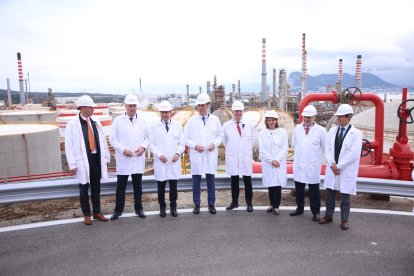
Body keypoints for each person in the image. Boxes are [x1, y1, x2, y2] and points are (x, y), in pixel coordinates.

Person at [65, 95, 110, 225]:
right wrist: (72, 164)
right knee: (84, 188)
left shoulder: (95, 121)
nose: (93, 110)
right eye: (91, 107)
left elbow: (102, 140)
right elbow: (69, 146)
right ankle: (86, 214)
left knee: (96, 187)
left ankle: (97, 212)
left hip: (96, 157)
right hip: (82, 160)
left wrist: (106, 156)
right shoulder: (72, 124)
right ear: (83, 107)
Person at [319, 104, 362, 230]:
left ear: (349, 117)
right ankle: (328, 215)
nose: (339, 119)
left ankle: (344, 219)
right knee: (330, 194)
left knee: (345, 196)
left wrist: (340, 166)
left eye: (342, 117)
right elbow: (328, 149)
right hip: (333, 167)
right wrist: (333, 164)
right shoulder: (332, 131)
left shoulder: (356, 133)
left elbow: (354, 154)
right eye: (338, 116)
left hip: (345, 169)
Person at [109, 94, 148, 220]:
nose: (132, 108)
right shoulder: (118, 121)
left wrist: (143, 147)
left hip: (137, 158)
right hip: (124, 159)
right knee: (121, 187)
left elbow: (147, 138)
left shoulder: (142, 122)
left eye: (134, 106)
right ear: (125, 106)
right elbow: (112, 139)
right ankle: (118, 210)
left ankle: (139, 208)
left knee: (138, 187)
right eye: (130, 106)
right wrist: (122, 150)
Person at [184, 93, 223, 215]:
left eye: (203, 105)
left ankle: (211, 204)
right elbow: (185, 138)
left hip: (210, 155)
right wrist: (195, 146)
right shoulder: (191, 121)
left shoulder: (215, 120)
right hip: (197, 155)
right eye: (199, 105)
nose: (201, 107)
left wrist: (214, 144)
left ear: (208, 105)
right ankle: (197, 204)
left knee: (211, 181)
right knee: (196, 182)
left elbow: (220, 136)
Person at [290, 105, 327, 222]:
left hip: (313, 165)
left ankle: (316, 212)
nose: (306, 119)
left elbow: (325, 148)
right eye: (305, 117)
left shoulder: (321, 131)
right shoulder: (297, 129)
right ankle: (299, 208)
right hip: (300, 164)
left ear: (315, 117)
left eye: (309, 117)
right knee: (299, 189)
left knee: (314, 191)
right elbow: (294, 143)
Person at [149, 101, 185, 218]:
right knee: (161, 187)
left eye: (167, 112)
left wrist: (177, 153)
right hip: (161, 161)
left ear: (171, 112)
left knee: (173, 187)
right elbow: (152, 144)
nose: (165, 114)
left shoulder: (177, 126)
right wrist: (159, 155)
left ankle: (173, 207)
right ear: (160, 113)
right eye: (163, 112)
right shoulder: (154, 127)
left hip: (173, 161)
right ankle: (162, 207)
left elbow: (182, 143)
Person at [223, 100, 255, 212]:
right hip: (234, 157)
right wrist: (234, 151)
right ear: (232, 111)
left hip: (245, 157)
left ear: (243, 112)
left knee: (248, 181)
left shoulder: (249, 125)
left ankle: (249, 203)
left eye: (240, 111)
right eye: (236, 111)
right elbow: (225, 142)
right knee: (234, 181)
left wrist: (244, 151)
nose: (238, 113)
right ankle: (234, 202)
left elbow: (252, 140)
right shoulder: (226, 125)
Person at [258, 110, 288, 215]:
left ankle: (276, 206)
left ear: (276, 121)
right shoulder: (262, 133)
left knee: (277, 185)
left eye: (273, 120)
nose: (271, 122)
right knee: (270, 184)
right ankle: (271, 204)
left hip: (279, 163)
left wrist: (277, 160)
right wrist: (271, 160)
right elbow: (262, 150)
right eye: (269, 120)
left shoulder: (282, 132)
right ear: (266, 121)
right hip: (269, 164)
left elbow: (285, 147)